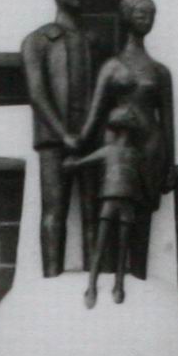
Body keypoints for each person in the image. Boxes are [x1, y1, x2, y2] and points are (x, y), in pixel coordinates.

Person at [80, 0, 176, 280]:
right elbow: (94, 115)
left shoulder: (160, 72)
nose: (147, 20)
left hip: (150, 147)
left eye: (151, 14)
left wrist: (170, 164)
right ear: (126, 18)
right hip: (118, 148)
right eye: (140, 14)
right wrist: (78, 143)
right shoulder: (111, 67)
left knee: (143, 215)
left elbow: (168, 121)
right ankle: (111, 277)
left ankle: (139, 276)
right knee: (111, 211)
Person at [20, 0, 99, 278]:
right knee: (54, 211)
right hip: (54, 139)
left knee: (94, 212)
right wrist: (63, 133)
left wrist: (89, 131)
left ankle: (96, 278)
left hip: (91, 137)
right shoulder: (37, 41)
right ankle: (50, 280)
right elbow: (37, 95)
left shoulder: (95, 41)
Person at [72, 105, 147, 308]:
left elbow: (81, 163)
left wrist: (74, 163)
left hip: (121, 200)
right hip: (116, 200)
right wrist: (74, 164)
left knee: (114, 246)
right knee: (107, 245)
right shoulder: (116, 151)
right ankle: (96, 286)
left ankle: (112, 285)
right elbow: (83, 162)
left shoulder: (129, 153)